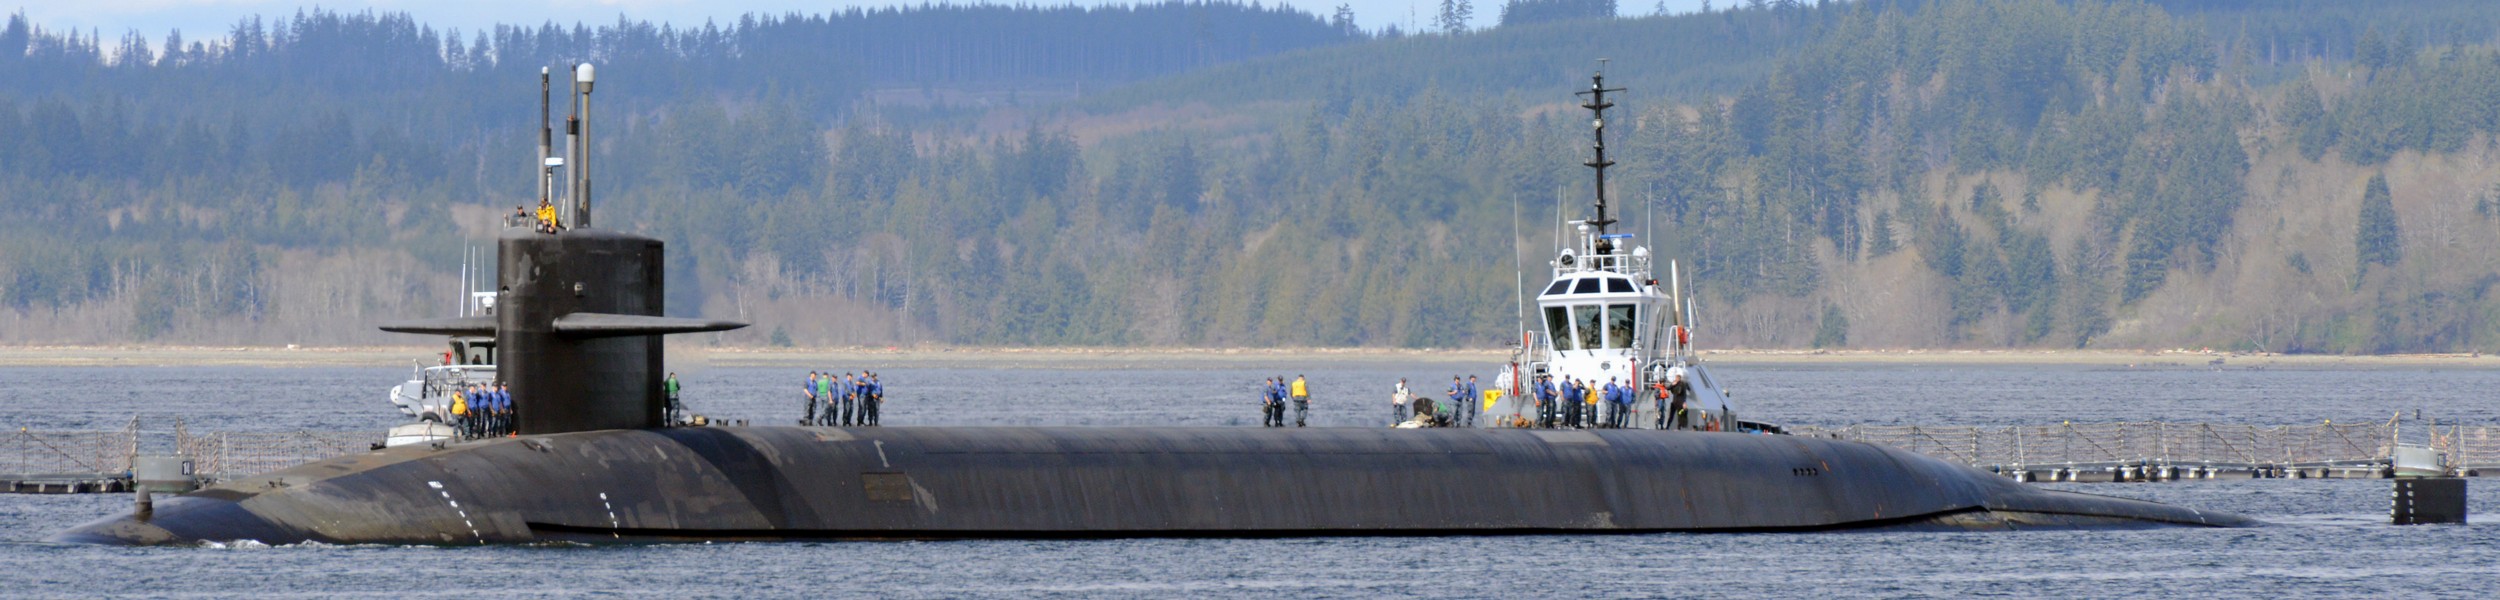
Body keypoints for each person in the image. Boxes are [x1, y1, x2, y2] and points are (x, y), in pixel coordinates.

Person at [1665, 366, 1692, 430]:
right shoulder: (1674, 384)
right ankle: (1667, 427)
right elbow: (1667, 388)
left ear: (1679, 378)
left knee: (1679, 415)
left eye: (1677, 378)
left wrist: (1684, 402)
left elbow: (1686, 392)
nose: (1676, 379)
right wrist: (1672, 385)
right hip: (1674, 402)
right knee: (1671, 415)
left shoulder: (1683, 384)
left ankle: (1679, 427)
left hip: (1680, 402)